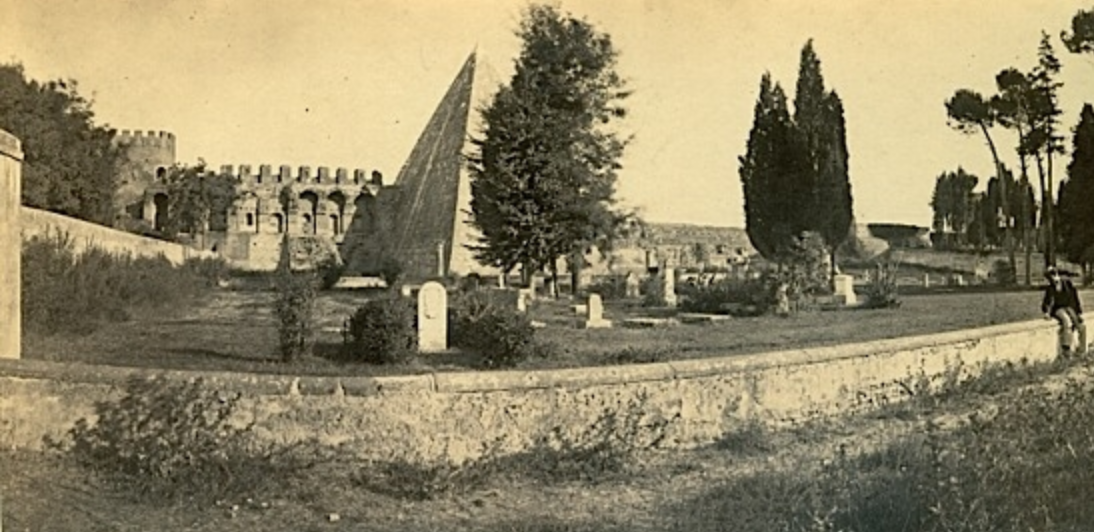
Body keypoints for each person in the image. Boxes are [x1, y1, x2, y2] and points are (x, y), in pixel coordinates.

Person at [1041, 265, 1087, 357]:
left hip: (1070, 308)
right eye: (1052, 276)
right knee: (1067, 321)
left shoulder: (1068, 286)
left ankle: (1081, 351)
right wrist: (1047, 312)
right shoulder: (1051, 288)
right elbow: (1047, 303)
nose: (1055, 278)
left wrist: (1078, 313)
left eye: (1056, 275)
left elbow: (1075, 299)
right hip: (1058, 309)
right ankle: (1066, 349)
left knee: (1081, 326)